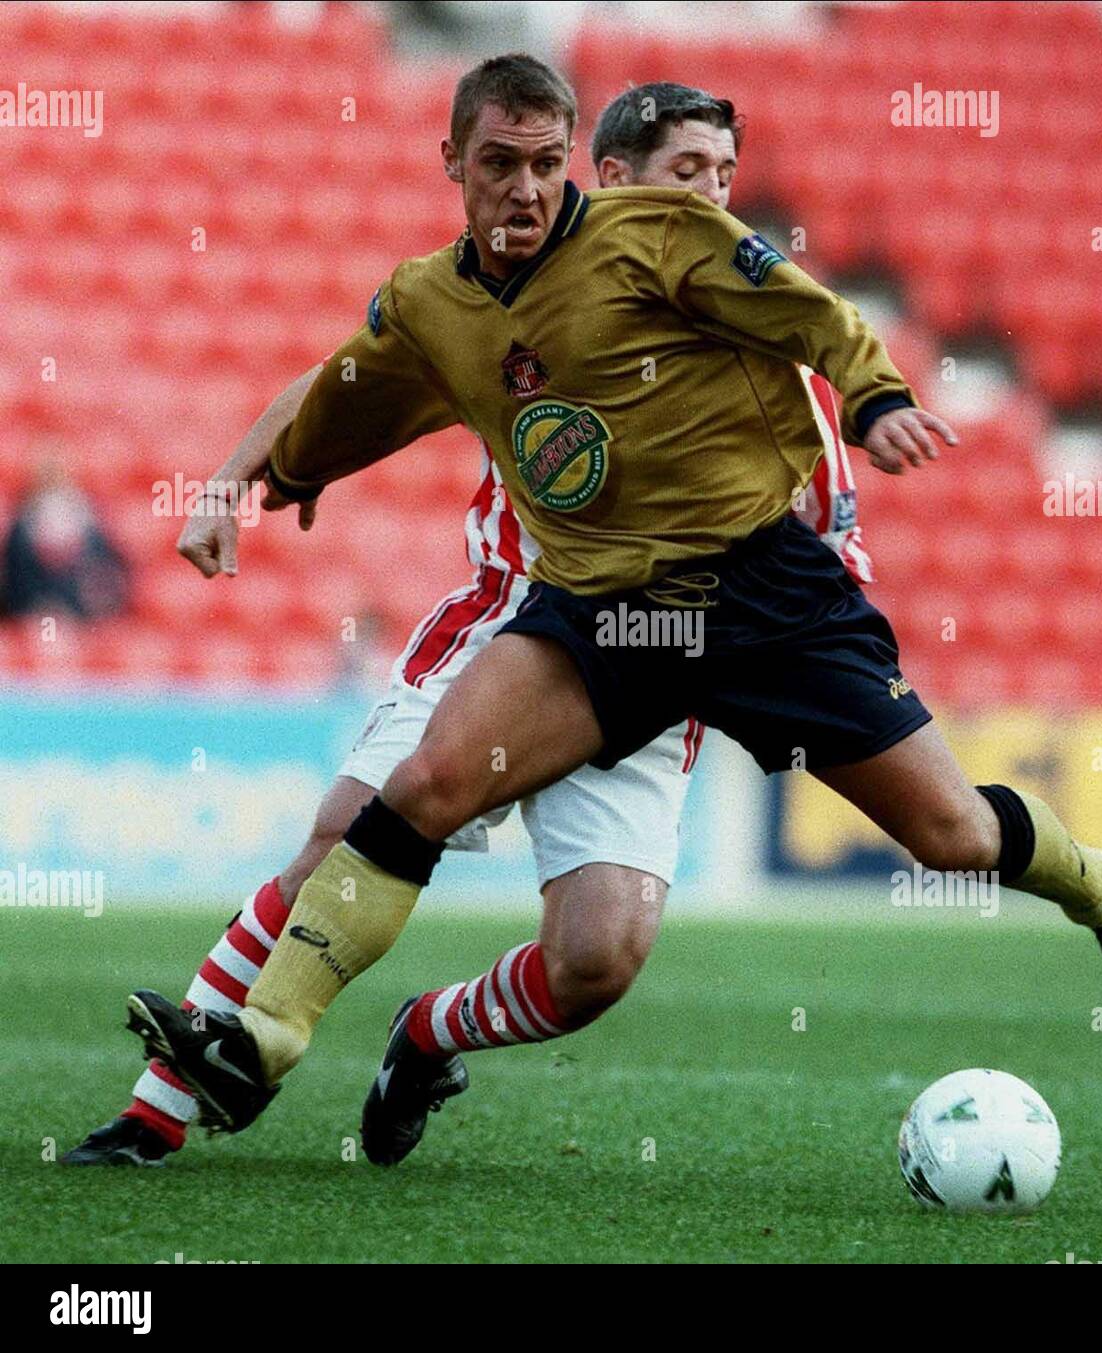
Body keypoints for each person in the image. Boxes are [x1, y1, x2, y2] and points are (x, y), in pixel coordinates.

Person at [126, 53, 1102, 1170]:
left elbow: (814, 314)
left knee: (953, 834)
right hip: (596, 605)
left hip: (764, 600)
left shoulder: (670, 243)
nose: (527, 188)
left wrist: (878, 396)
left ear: (575, 170)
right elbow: (354, 388)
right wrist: (270, 476)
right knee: (424, 786)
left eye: (544, 166)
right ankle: (262, 1037)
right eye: (502, 164)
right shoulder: (436, 302)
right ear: (456, 163)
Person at [64, 79, 867, 1166]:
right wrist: (232, 481)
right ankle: (158, 1110)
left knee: (599, 959)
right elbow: (343, 377)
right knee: (346, 834)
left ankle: (427, 1031)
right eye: (689, 178)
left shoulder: (768, 342)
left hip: (648, 663)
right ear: (616, 180)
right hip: (512, 624)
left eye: (726, 179)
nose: (713, 203)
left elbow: (826, 549)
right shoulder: (517, 295)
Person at [1, 459, 129, 621]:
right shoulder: (20, 525)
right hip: (32, 608)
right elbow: (14, 576)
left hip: (78, 611)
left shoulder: (89, 521)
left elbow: (104, 571)